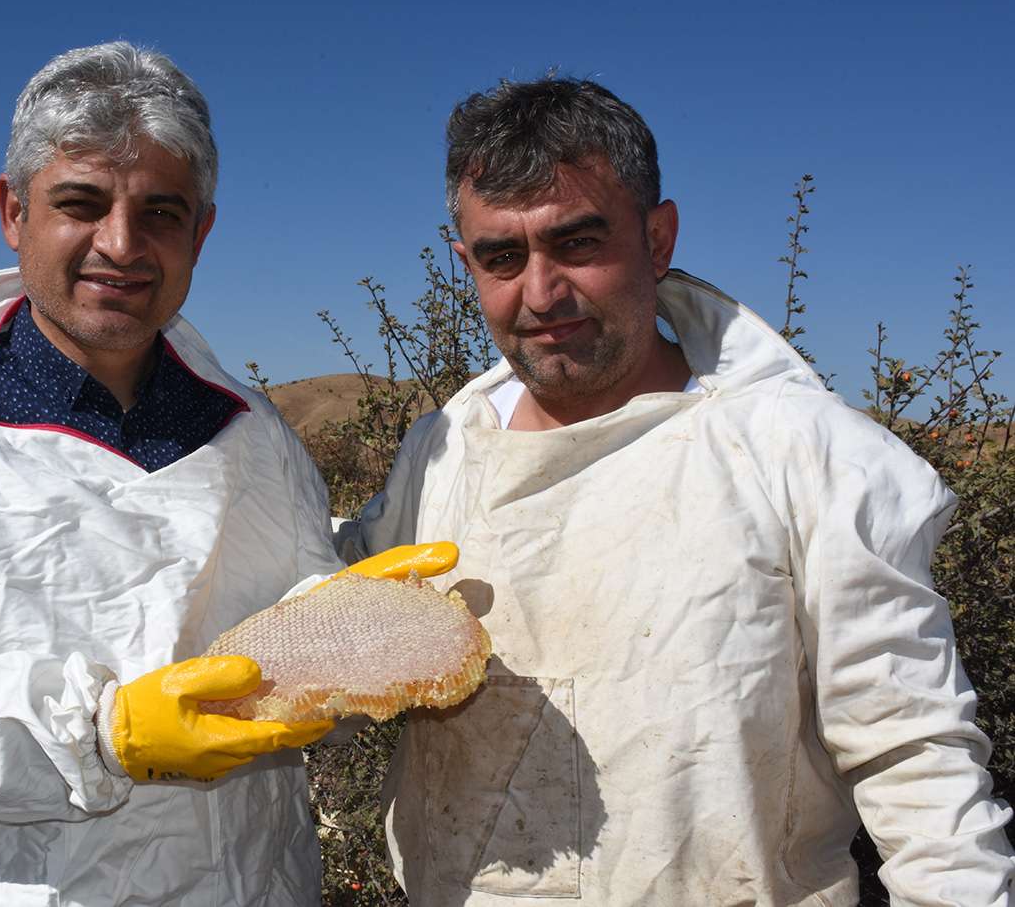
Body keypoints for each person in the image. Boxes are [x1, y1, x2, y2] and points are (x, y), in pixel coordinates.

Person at [0, 41, 440, 906]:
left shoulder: (252, 433)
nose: (120, 245)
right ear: (14, 213)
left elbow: (279, 646)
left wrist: (344, 637)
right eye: (80, 203)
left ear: (201, 232)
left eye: (161, 213)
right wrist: (101, 733)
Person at [339, 76, 1015, 905]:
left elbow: (915, 757)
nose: (541, 294)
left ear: (658, 240)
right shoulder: (440, 452)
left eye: (579, 243)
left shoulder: (804, 453)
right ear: (465, 261)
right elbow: (337, 642)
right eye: (502, 257)